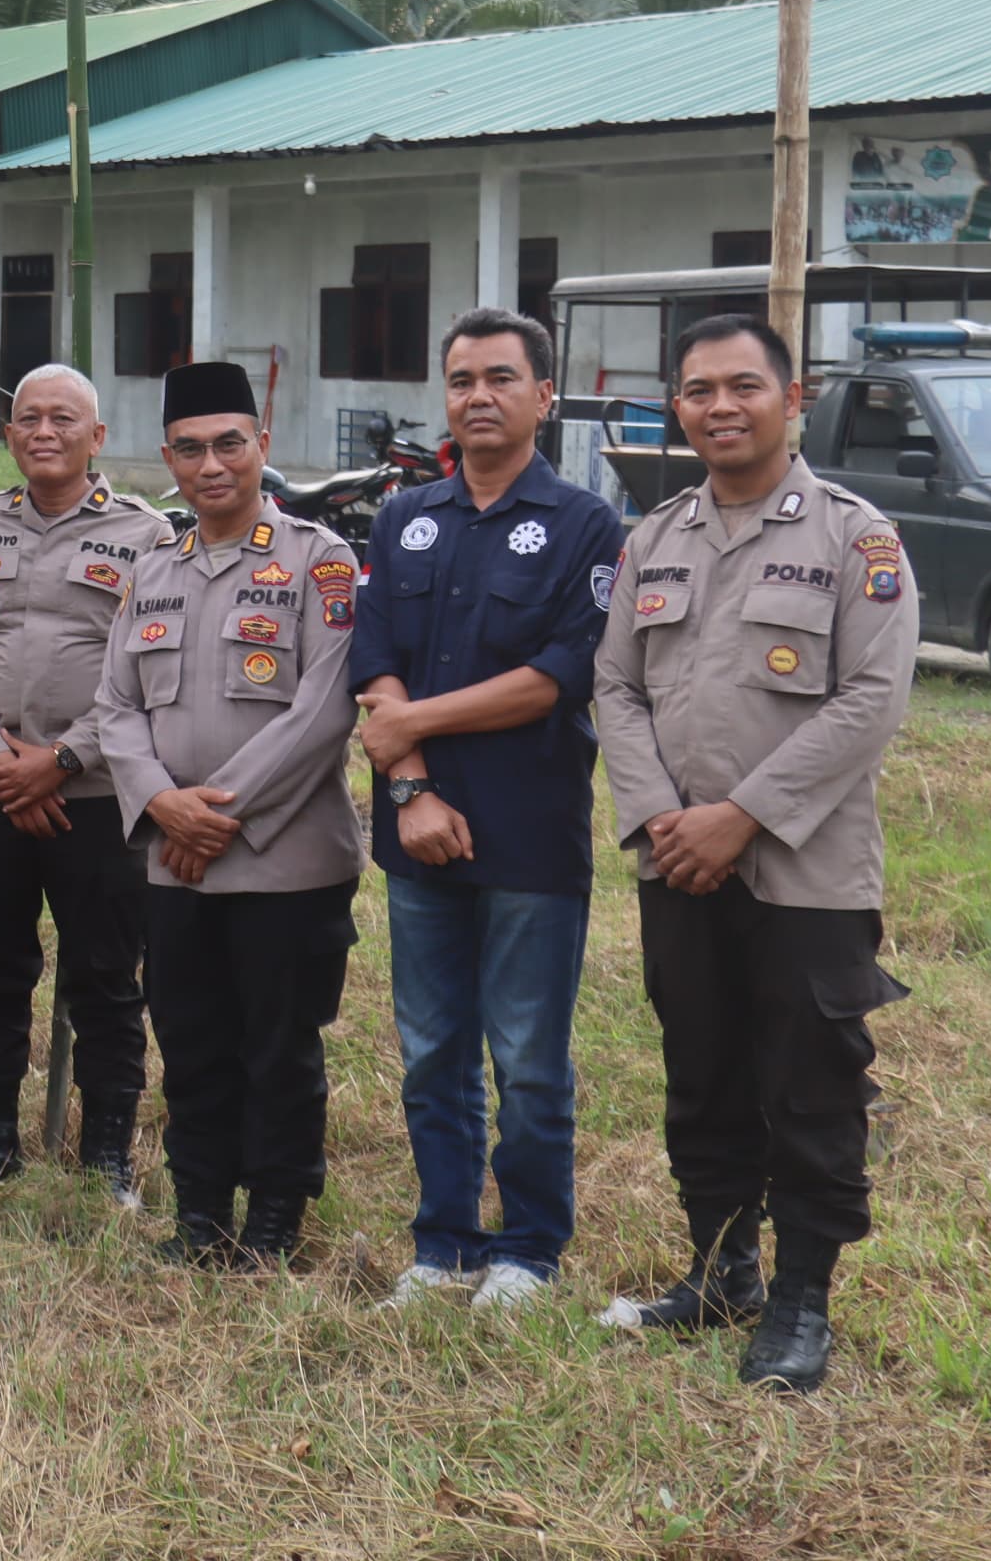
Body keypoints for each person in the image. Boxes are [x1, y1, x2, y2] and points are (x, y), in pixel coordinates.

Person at [592, 313, 918, 1397]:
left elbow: (872, 699)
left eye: (742, 386)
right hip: (675, 861)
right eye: (697, 390)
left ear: (794, 394)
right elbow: (617, 686)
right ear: (676, 407)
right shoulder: (656, 536)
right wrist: (659, 816)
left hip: (804, 872)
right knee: (704, 1071)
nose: (719, 406)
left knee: (810, 1084)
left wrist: (740, 816)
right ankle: (722, 1269)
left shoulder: (853, 536)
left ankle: (801, 1299)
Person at [352, 309, 624, 1315]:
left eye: (501, 377)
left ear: (544, 396)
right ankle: (446, 1241)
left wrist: (408, 721)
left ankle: (531, 1250)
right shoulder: (403, 517)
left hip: (529, 835)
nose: (477, 395)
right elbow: (372, 659)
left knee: (528, 1058)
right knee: (431, 1051)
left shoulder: (587, 525)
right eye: (461, 377)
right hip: (417, 831)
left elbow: (560, 675)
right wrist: (413, 784)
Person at [95, 359, 365, 1271]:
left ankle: (277, 1214)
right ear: (167, 458)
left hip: (285, 861)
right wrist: (165, 806)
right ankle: (201, 1210)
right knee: (192, 1038)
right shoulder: (151, 567)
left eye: (228, 445)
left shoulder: (317, 560)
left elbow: (325, 709)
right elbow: (116, 706)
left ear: (261, 447)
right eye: (190, 449)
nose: (211, 465)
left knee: (278, 1046)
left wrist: (222, 815)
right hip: (173, 860)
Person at [0, 362, 170, 1198]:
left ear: (96, 438)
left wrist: (60, 762)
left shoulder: (146, 536)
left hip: (97, 798)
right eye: (28, 419)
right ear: (7, 435)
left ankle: (107, 1156)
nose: (43, 432)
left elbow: (148, 675)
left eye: (63, 419)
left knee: (106, 976)